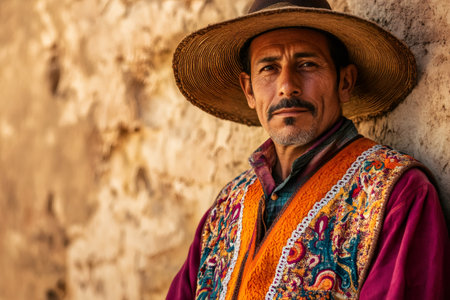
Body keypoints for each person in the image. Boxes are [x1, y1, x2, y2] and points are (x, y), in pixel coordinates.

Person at [167, 0, 449, 299]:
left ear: (345, 81)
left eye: (307, 64)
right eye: (269, 68)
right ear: (249, 90)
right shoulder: (224, 211)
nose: (287, 86)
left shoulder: (396, 194)